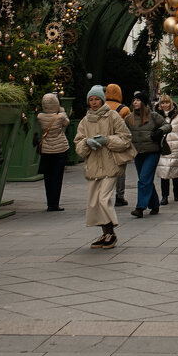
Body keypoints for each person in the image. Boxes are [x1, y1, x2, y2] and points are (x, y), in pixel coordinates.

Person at [74, 85, 134, 248]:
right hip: (93, 166)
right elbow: (78, 145)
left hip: (110, 164)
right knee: (94, 202)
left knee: (103, 199)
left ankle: (110, 232)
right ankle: (106, 233)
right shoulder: (85, 121)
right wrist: (87, 142)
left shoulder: (113, 116)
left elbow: (125, 138)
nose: (94, 102)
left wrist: (107, 140)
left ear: (102, 99)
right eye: (91, 100)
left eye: (97, 99)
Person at [126, 91, 168, 218]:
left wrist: (160, 131)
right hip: (138, 152)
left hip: (152, 152)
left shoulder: (153, 116)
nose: (135, 102)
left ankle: (140, 207)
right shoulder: (129, 118)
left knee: (144, 179)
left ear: (143, 103)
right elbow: (124, 132)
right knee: (145, 180)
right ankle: (154, 204)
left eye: (138, 100)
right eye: (134, 100)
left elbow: (167, 125)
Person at [36, 93, 70, 212]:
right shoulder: (60, 116)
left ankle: (49, 202)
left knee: (48, 177)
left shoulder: (40, 116)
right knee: (57, 176)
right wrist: (61, 110)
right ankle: (55, 203)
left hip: (46, 149)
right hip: (60, 148)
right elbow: (67, 123)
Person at [104, 84, 131, 206]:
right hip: (119, 142)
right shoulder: (124, 109)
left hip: (104, 142)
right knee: (120, 170)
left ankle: (105, 194)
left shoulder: (102, 107)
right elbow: (127, 127)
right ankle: (120, 196)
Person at [154, 94, 178, 205]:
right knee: (164, 172)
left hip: (175, 146)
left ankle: (176, 193)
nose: (165, 105)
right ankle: (164, 196)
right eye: (163, 103)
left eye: (167, 103)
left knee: (175, 171)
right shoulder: (156, 116)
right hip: (163, 147)